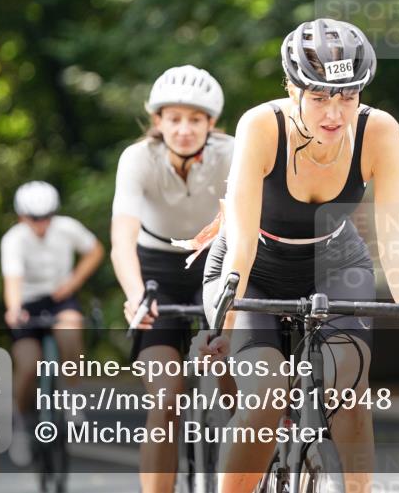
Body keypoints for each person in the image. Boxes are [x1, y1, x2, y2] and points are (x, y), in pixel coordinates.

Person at [198, 18, 399, 493]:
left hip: (335, 262)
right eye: (319, 97)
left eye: (348, 97)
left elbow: (393, 240)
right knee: (264, 396)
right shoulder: (260, 126)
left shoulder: (379, 131)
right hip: (253, 266)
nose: (335, 113)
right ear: (292, 88)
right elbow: (244, 243)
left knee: (349, 391)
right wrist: (220, 329)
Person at [112, 65, 233, 493]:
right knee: (165, 400)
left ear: (211, 123)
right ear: (157, 121)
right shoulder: (137, 159)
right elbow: (122, 239)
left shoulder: (232, 153)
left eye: (195, 119)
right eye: (174, 118)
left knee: (240, 389)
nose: (184, 129)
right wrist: (134, 296)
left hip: (216, 265)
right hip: (157, 271)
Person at [1, 180, 104, 466]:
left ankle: (72, 396)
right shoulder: (14, 239)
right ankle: (22, 425)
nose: (41, 224)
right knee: (27, 366)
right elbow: (13, 279)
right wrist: (14, 308)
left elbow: (95, 250)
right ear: (22, 216)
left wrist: (73, 282)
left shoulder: (67, 228)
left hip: (61, 297)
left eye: (46, 216)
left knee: (71, 329)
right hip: (28, 304)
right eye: (34, 218)